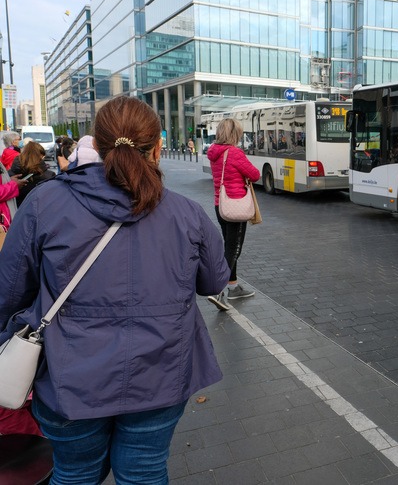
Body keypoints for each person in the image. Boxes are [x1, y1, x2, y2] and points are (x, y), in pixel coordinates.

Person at [0, 96, 229, 484]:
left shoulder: (44, 204)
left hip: (67, 380)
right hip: (160, 375)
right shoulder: (187, 213)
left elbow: (8, 292)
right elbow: (214, 282)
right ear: (157, 147)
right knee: (144, 471)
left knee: (74, 473)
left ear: (96, 145)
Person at [206, 117, 260, 310]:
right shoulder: (235, 153)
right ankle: (218, 291)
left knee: (229, 246)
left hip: (221, 206)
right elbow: (255, 175)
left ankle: (233, 287)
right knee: (234, 249)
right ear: (234, 134)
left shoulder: (214, 152)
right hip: (236, 206)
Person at [9, 141, 56, 206]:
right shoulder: (49, 175)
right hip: (40, 210)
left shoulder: (10, 175)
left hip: (15, 209)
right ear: (41, 156)